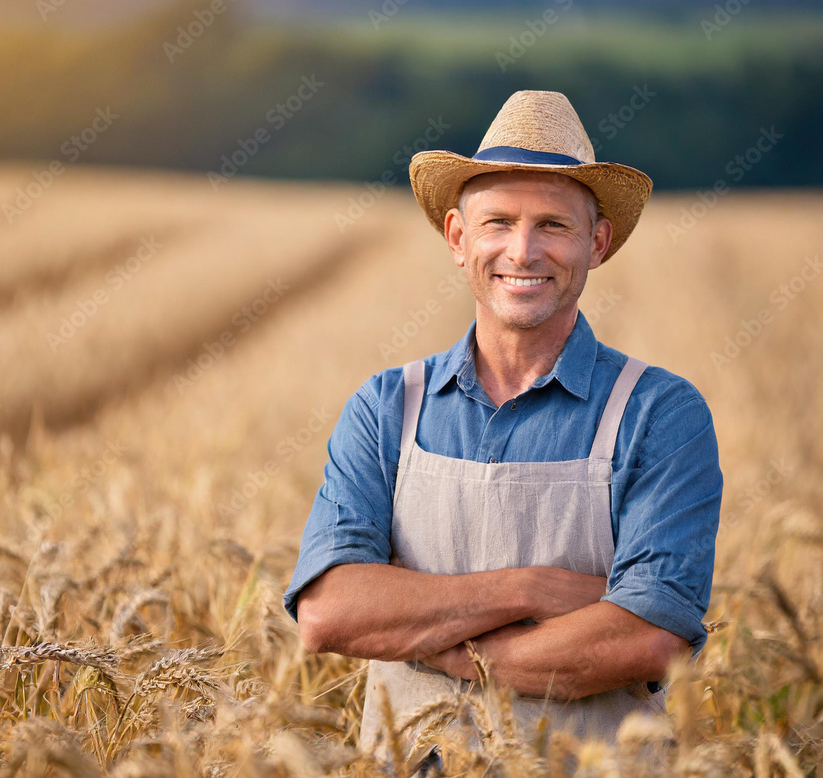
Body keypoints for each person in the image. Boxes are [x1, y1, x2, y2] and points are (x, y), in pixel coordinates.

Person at [282, 90, 722, 757]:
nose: (522, 250)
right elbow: (328, 612)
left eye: (553, 225)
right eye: (498, 223)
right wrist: (533, 588)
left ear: (596, 243)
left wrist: (440, 646)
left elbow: (649, 636)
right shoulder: (385, 407)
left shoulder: (660, 413)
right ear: (459, 239)